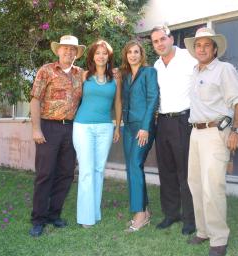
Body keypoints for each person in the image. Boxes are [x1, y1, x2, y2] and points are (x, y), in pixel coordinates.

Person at [184, 27, 238, 256]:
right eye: (198, 45)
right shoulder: (195, 71)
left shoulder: (225, 70)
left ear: (214, 49)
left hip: (215, 133)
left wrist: (237, 130)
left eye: (206, 45)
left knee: (213, 187)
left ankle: (219, 238)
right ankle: (203, 230)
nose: (201, 49)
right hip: (195, 132)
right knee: (196, 185)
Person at [29, 35, 86, 237]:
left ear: (76, 54)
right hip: (48, 127)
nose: (68, 52)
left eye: (72, 50)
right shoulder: (46, 70)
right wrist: (36, 129)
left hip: (71, 129)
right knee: (45, 174)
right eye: (65, 49)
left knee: (66, 174)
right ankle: (38, 219)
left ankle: (54, 214)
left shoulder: (80, 74)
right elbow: (35, 100)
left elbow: (100, 78)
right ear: (58, 51)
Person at [150, 25, 196, 235]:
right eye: (155, 41)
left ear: (171, 38)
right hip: (163, 122)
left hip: (184, 120)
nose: (159, 44)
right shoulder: (156, 65)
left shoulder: (189, 56)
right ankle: (171, 214)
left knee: (185, 172)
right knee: (166, 171)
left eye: (162, 39)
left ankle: (190, 219)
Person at [72, 40, 122, 228]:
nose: (101, 56)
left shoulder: (115, 78)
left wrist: (117, 127)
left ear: (109, 56)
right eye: (97, 53)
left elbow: (118, 103)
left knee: (99, 170)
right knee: (86, 170)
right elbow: (74, 99)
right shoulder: (84, 76)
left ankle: (94, 212)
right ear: (92, 56)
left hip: (104, 128)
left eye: (104, 53)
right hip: (83, 127)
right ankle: (85, 218)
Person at [120, 40, 159, 232]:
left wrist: (145, 127)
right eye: (129, 52)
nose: (133, 55)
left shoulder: (149, 72)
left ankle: (140, 215)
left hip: (143, 127)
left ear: (141, 54)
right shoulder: (125, 75)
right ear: (126, 55)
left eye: (136, 52)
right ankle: (143, 209)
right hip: (127, 127)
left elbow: (153, 98)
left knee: (135, 164)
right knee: (131, 167)